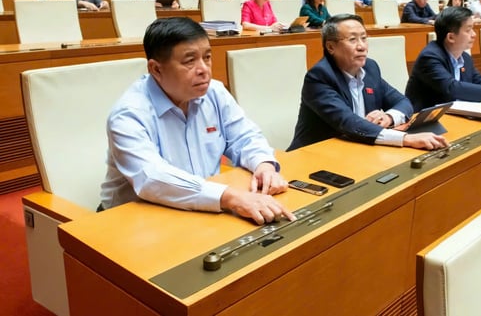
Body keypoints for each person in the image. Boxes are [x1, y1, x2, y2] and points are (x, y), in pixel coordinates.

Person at [99, 17, 294, 225]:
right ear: (156, 69)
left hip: (199, 210)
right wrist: (231, 197)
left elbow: (244, 137)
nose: (204, 69)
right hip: (132, 222)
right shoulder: (129, 114)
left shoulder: (215, 92)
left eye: (207, 57)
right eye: (189, 61)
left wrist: (264, 166)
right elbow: (152, 177)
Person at [287, 14, 448, 151]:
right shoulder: (319, 76)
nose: (362, 46)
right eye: (352, 40)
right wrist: (406, 139)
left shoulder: (370, 68)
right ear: (330, 47)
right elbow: (348, 123)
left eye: (364, 38)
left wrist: (389, 117)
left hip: (358, 148)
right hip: (316, 155)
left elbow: (403, 102)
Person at [405, 6, 481, 112]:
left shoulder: (465, 57)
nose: (474, 34)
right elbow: (452, 88)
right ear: (451, 37)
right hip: (426, 122)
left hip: (454, 115)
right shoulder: (430, 57)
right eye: (468, 30)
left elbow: (479, 81)